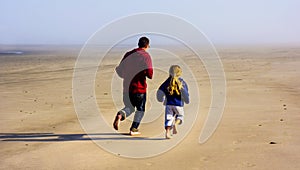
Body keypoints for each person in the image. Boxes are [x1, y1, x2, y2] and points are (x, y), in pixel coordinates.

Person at [113, 36, 153, 135]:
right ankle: (133, 129)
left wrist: (125, 76)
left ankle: (120, 115)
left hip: (127, 88)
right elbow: (150, 74)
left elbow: (119, 69)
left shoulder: (128, 54)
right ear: (147, 45)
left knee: (129, 107)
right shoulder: (145, 56)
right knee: (140, 109)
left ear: (138, 44)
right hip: (139, 88)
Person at [157, 65, 189, 139]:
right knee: (180, 116)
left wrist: (160, 99)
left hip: (168, 104)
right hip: (179, 104)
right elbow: (185, 93)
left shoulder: (167, 82)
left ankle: (167, 133)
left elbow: (160, 91)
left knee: (169, 118)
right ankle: (176, 124)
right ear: (179, 73)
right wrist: (187, 100)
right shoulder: (182, 82)